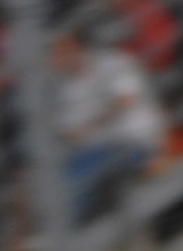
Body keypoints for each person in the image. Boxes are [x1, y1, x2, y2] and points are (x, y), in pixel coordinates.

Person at [53, 29, 166, 218]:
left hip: (132, 138)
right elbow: (69, 132)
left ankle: (73, 235)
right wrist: (87, 128)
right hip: (97, 148)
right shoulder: (67, 89)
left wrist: (90, 125)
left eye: (56, 52)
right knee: (57, 176)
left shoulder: (112, 62)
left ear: (72, 46)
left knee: (77, 177)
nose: (53, 59)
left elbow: (125, 100)